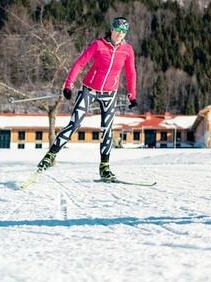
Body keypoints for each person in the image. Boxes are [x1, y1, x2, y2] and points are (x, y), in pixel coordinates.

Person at [35, 17, 138, 182]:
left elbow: (131, 72)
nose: (120, 34)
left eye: (123, 32)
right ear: (111, 29)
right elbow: (80, 63)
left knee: (107, 130)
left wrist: (132, 94)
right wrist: (68, 85)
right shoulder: (98, 45)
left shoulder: (127, 50)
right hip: (89, 90)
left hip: (110, 94)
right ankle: (50, 155)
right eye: (118, 30)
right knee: (75, 124)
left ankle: (105, 167)